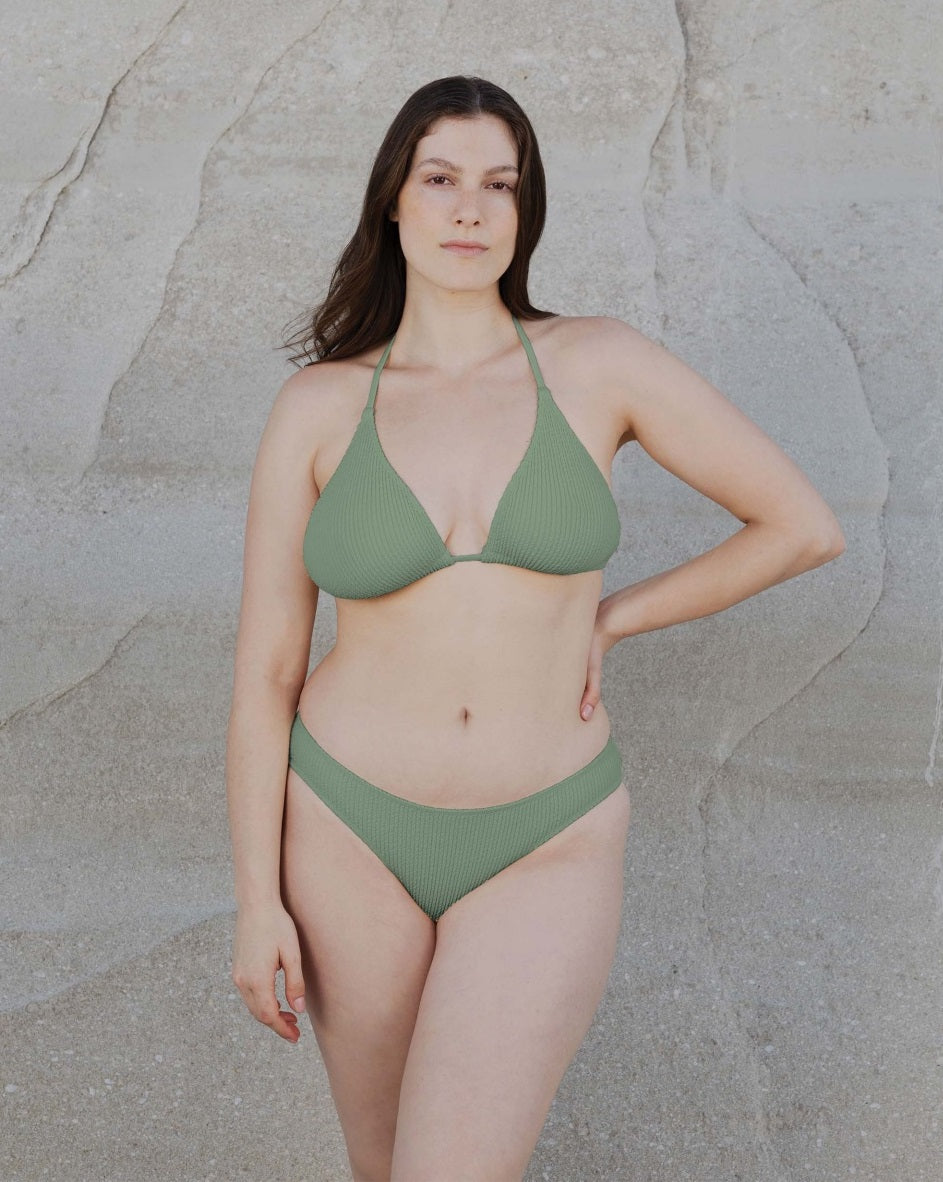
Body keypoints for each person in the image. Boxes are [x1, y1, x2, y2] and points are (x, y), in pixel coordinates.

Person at [225, 74, 845, 1182]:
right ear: (393, 202)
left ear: (526, 209)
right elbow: (267, 670)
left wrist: (615, 618)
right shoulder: (317, 406)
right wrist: (255, 901)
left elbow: (800, 527)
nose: (470, 209)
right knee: (383, 1169)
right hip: (345, 829)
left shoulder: (597, 363)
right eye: (440, 179)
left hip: (545, 833)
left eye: (500, 185)